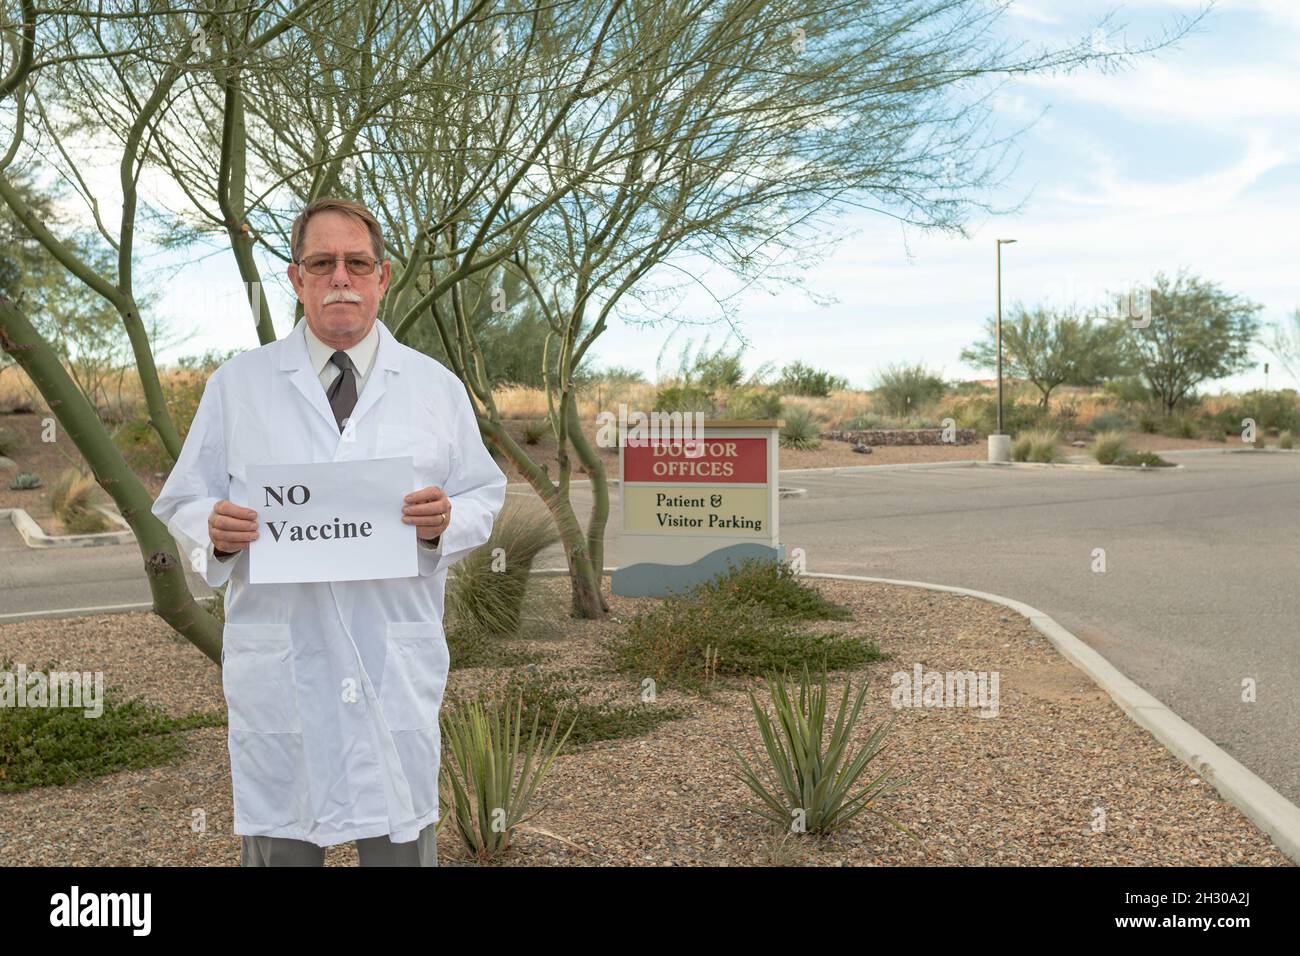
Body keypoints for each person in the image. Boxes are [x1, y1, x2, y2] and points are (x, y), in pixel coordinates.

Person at [152, 197, 507, 866]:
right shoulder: (239, 385)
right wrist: (214, 529)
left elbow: (484, 491)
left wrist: (446, 522)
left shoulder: (435, 388)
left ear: (382, 275)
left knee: (399, 837)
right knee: (282, 837)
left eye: (356, 262)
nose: (340, 277)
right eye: (322, 263)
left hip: (391, 657)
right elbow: (185, 498)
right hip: (283, 662)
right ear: (296, 279)